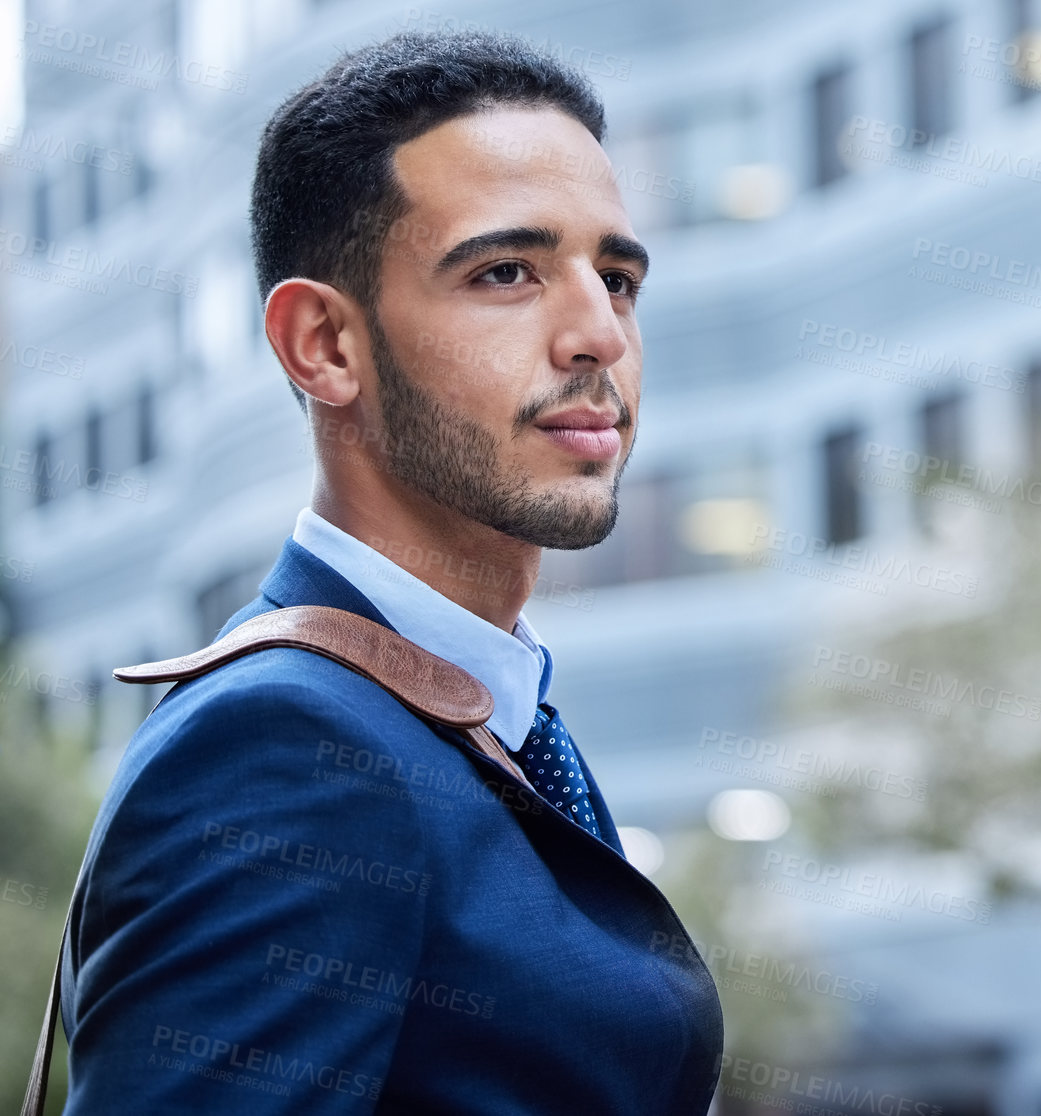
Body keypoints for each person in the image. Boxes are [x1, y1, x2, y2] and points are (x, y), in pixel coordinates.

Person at [55, 29, 722, 1113]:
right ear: (324, 344)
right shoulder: (286, 751)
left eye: (617, 277)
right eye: (506, 272)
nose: (598, 333)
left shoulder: (480, 718)